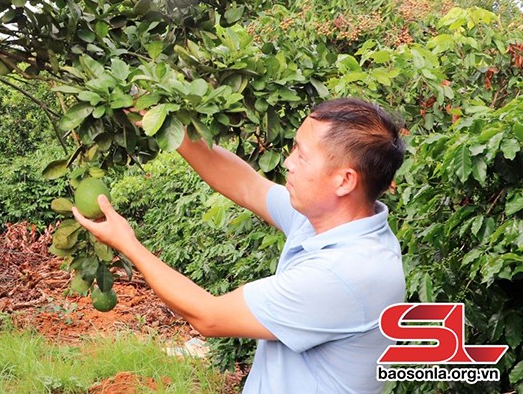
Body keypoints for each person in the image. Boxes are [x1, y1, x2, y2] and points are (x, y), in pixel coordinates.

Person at [71, 98, 407, 394]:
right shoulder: (329, 219)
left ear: (344, 180)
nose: (289, 163)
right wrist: (165, 125)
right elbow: (246, 185)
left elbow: (209, 316)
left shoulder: (345, 274)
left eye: (302, 156)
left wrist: (128, 244)